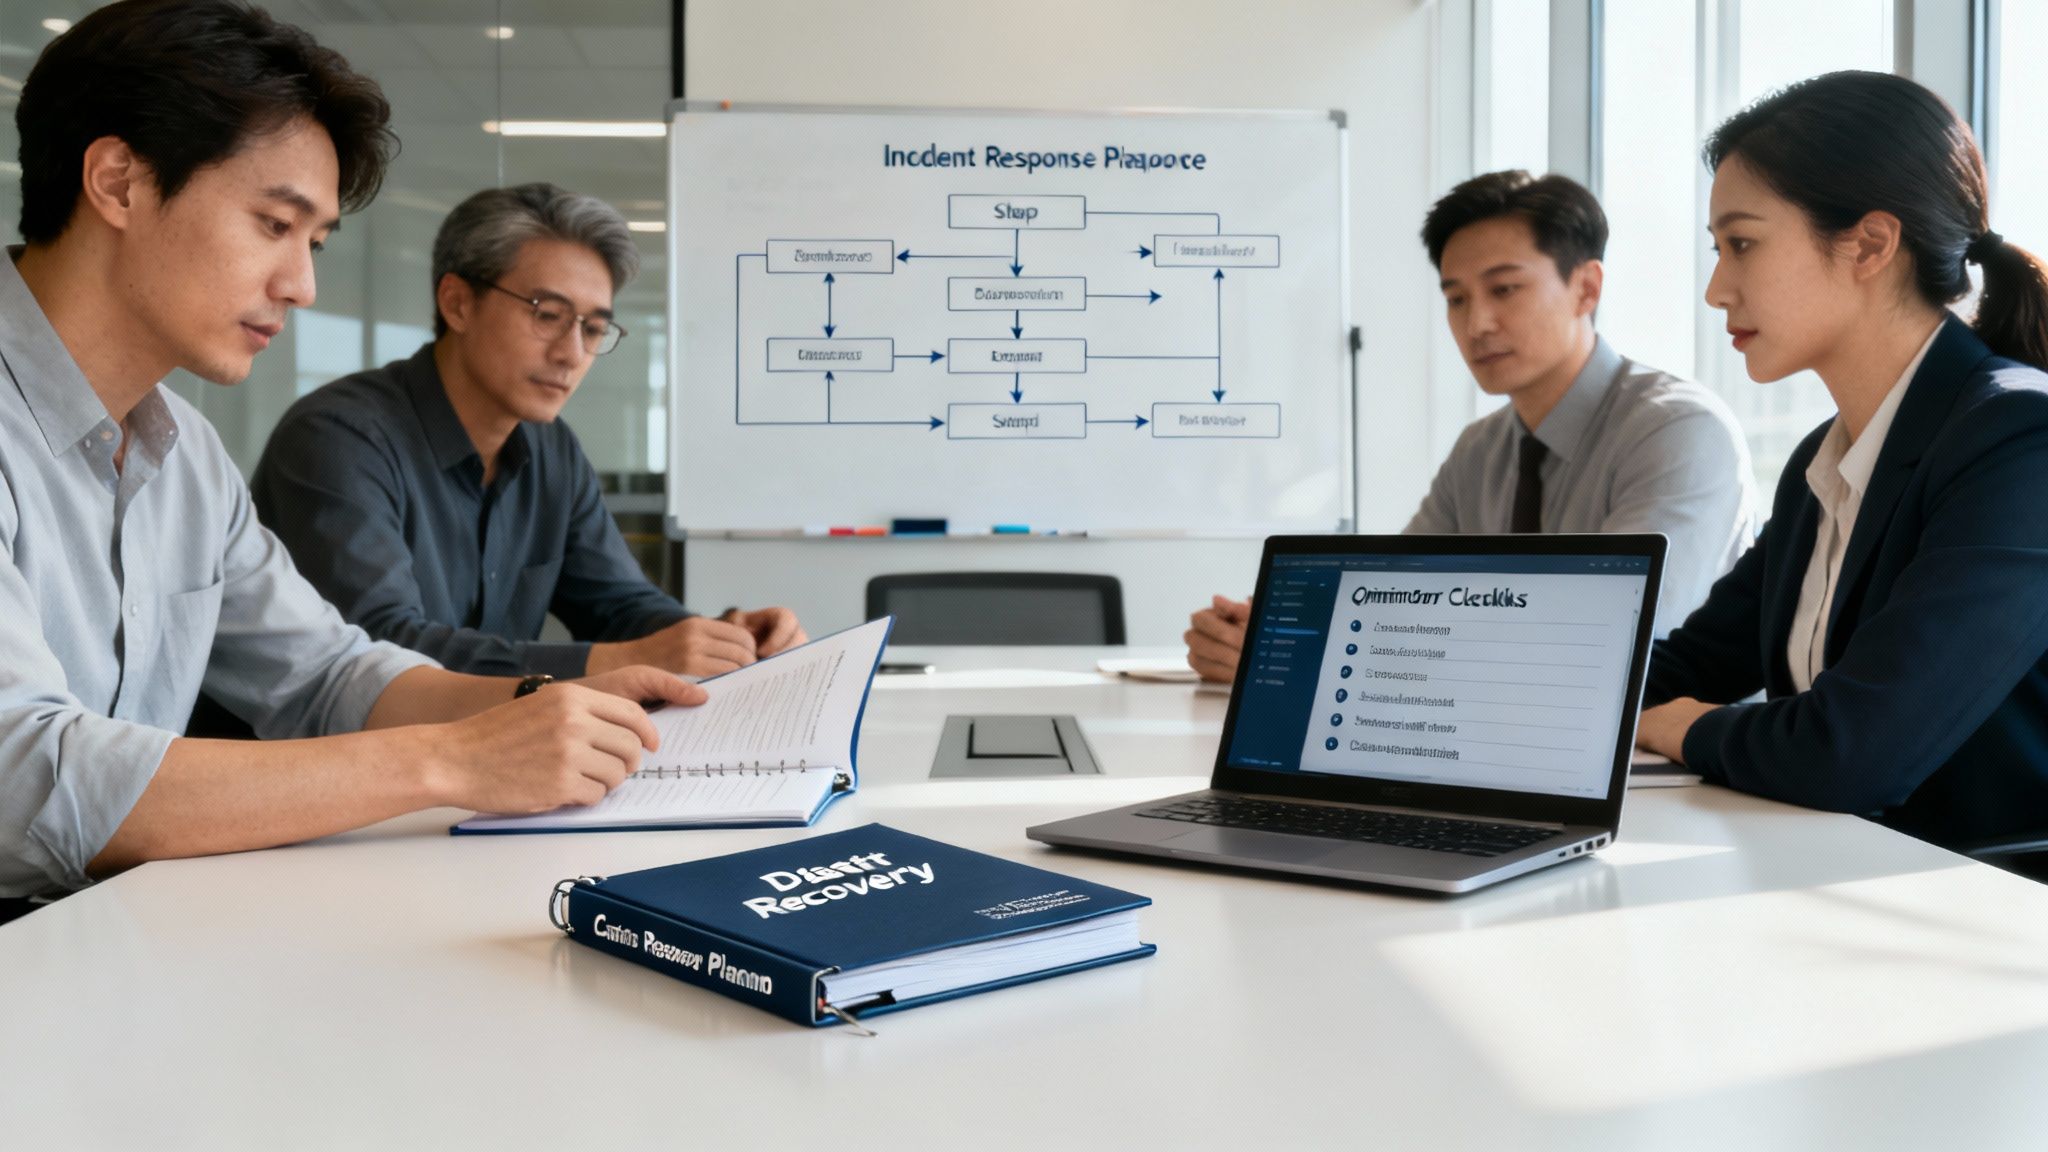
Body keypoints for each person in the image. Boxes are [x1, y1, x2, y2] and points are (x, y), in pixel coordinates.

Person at [0, 1, 702, 916]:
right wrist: (455, 758)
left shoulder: (186, 452)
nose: (302, 284)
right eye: (273, 224)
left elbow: (329, 673)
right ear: (119, 181)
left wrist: (542, 701)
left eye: (315, 241)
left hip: (108, 934)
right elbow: (24, 775)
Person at [1637, 70, 2048, 852]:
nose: (1717, 289)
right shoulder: (1820, 466)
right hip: (1837, 875)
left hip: (1991, 917)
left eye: (1743, 245)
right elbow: (1691, 663)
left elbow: (1854, 751)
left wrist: (1687, 729)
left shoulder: (2019, 441)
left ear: (1869, 245)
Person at [1184, 171, 1757, 682]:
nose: (1476, 323)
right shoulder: (1481, 448)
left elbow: (1609, 644)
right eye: (1456, 299)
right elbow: (1388, 602)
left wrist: (1321, 652)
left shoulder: (1679, 431)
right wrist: (1274, 639)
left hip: (1666, 776)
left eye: (1504, 289)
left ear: (1586, 287)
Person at [250, 184, 802, 680]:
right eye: (547, 314)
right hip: (313, 772)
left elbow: (620, 605)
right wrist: (613, 662)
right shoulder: (340, 438)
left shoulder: (551, 448)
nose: (572, 353)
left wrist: (727, 639)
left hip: (479, 765)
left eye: (593, 327)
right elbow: (379, 648)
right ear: (458, 303)